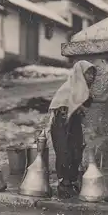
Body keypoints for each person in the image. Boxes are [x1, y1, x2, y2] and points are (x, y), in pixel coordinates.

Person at [44, 60, 98, 199]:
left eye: (93, 73)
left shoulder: (82, 89)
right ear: (80, 74)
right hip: (61, 123)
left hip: (73, 123)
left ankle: (72, 182)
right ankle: (64, 185)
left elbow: (85, 103)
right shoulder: (68, 87)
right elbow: (65, 105)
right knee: (64, 152)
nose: (92, 76)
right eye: (88, 73)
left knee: (77, 150)